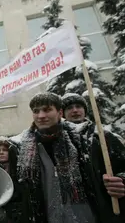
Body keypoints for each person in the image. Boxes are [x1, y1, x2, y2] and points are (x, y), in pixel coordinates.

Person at [7, 92, 125, 223]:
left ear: (60, 113)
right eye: (36, 111)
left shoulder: (91, 139)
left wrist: (121, 182)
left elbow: (121, 169)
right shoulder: (19, 148)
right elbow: (14, 192)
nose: (41, 116)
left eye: (47, 110)